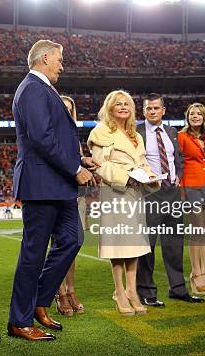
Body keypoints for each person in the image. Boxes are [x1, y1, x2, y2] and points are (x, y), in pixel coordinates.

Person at [8, 40, 94, 341]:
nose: (62, 65)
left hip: (57, 184)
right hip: (43, 184)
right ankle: (19, 320)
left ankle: (40, 302)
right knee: (33, 253)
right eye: (59, 59)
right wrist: (75, 169)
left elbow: (52, 136)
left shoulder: (42, 88)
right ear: (45, 58)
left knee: (72, 239)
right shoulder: (32, 88)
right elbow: (42, 138)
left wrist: (79, 159)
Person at [88, 90, 158, 316]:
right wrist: (125, 177)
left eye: (126, 104)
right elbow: (99, 164)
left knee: (135, 244)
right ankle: (119, 291)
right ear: (109, 108)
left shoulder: (135, 135)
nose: (123, 107)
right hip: (115, 191)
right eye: (118, 104)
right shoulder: (100, 132)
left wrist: (150, 176)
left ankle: (131, 290)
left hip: (135, 193)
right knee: (118, 244)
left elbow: (143, 162)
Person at [136, 93, 204, 306]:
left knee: (174, 244)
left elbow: (179, 159)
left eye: (156, 108)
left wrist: (179, 175)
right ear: (144, 111)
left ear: (163, 110)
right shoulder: (137, 133)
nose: (153, 111)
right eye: (149, 108)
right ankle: (147, 292)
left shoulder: (172, 132)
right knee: (148, 245)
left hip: (172, 194)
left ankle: (178, 288)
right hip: (150, 194)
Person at [178, 103, 205, 296]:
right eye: (192, 113)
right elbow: (180, 163)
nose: (195, 116)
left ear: (204, 117)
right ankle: (196, 274)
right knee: (197, 231)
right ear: (187, 117)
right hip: (191, 186)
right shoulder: (182, 136)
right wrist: (183, 191)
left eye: (199, 114)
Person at [54, 96, 86, 317]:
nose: (66, 112)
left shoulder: (74, 136)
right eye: (61, 108)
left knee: (72, 244)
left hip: (73, 195)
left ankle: (71, 289)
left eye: (69, 109)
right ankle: (60, 293)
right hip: (53, 193)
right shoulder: (48, 133)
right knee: (56, 246)